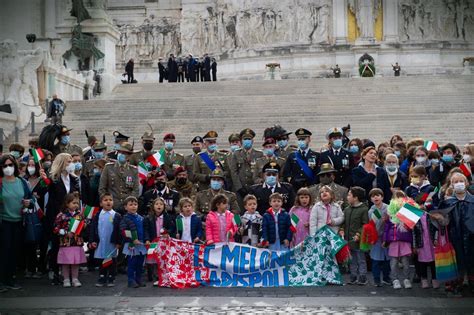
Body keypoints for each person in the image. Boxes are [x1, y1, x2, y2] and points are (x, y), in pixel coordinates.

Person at [430, 173, 474, 296]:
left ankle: (471, 283)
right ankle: (457, 285)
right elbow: (445, 222)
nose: (459, 183)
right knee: (457, 260)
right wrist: (439, 218)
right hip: (455, 237)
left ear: (466, 183)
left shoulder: (473, 200)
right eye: (456, 181)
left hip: (471, 237)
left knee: (472, 260)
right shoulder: (447, 202)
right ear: (451, 185)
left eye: (461, 181)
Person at [45, 153, 80, 285]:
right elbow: (46, 189)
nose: (71, 164)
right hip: (56, 215)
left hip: (70, 216)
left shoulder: (73, 179)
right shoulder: (53, 178)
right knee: (56, 244)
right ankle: (54, 271)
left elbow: (75, 197)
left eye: (71, 161)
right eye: (68, 161)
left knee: (69, 244)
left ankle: (69, 274)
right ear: (61, 163)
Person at [0, 155, 33, 291]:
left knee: (15, 251)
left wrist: (29, 202)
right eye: (5, 166)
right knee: (4, 251)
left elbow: (31, 200)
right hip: (4, 222)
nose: (8, 168)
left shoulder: (22, 182)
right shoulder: (1, 182)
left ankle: (11, 278)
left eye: (10, 165)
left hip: (19, 221)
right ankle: (2, 280)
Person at [53, 192, 86, 287]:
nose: (75, 205)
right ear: (67, 203)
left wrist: (84, 224)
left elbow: (85, 225)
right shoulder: (61, 215)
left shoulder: (80, 215)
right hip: (65, 243)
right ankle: (66, 279)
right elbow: (55, 228)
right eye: (73, 203)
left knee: (76, 262)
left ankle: (75, 279)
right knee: (65, 262)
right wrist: (64, 232)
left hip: (76, 242)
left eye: (77, 203)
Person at [89, 193, 122, 287]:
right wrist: (92, 241)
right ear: (101, 203)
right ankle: (102, 276)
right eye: (105, 200)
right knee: (101, 259)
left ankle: (111, 277)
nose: (108, 202)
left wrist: (119, 242)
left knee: (112, 259)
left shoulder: (116, 215)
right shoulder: (97, 215)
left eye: (110, 200)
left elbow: (120, 230)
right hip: (101, 242)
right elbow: (93, 229)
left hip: (111, 242)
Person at [99, 142, 139, 214]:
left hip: (127, 207)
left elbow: (135, 190)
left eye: (124, 153)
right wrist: (107, 202)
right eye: (120, 152)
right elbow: (102, 188)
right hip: (111, 206)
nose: (121, 154)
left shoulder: (133, 170)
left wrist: (128, 204)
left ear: (129, 156)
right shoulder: (108, 168)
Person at [383, 198, 414, 290]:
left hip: (405, 242)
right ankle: (395, 280)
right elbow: (386, 229)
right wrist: (385, 240)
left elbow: (410, 229)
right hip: (393, 242)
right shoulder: (390, 217)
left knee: (406, 262)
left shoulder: (407, 217)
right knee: (393, 263)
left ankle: (406, 279)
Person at [144, 197, 175, 285]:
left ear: (164, 206)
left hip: (162, 242)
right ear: (153, 206)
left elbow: (172, 228)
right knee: (151, 258)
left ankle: (160, 275)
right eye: (157, 204)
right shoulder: (148, 218)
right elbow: (146, 230)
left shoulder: (167, 217)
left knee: (161, 258)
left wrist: (168, 233)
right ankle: (150, 274)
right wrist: (146, 239)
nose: (159, 206)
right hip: (152, 241)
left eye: (161, 204)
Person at [343, 186, 369, 285]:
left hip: (359, 240)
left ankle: (363, 277)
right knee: (352, 259)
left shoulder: (364, 209)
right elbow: (344, 223)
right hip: (348, 239)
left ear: (356, 197)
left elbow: (365, 224)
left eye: (349, 195)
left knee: (361, 259)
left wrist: (359, 233)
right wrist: (342, 230)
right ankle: (353, 276)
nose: (347, 197)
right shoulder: (347, 209)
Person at [120, 196, 147, 288]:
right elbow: (123, 231)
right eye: (130, 205)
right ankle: (131, 280)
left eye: (135, 204)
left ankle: (138, 279)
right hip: (131, 245)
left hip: (141, 244)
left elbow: (145, 229)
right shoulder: (125, 218)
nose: (133, 206)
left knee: (140, 263)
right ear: (125, 207)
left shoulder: (141, 218)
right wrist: (133, 239)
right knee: (132, 263)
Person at [229, 128, 263, 201]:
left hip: (254, 188)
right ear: (241, 141)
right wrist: (239, 187)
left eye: (249, 139)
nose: (247, 141)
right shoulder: (236, 153)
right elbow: (234, 172)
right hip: (240, 188)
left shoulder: (259, 154)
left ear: (252, 141)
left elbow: (260, 172)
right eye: (245, 139)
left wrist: (256, 186)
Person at [367, 188, 391, 287]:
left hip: (387, 237)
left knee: (387, 259)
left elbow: (393, 222)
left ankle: (386, 278)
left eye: (378, 195)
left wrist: (388, 220)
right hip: (376, 238)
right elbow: (372, 226)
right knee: (376, 260)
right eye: (373, 196)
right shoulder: (371, 211)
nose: (375, 197)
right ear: (371, 199)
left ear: (382, 197)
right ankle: (376, 279)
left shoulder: (388, 208)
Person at [413, 208, 438, 289]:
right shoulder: (415, 216)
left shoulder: (430, 215)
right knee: (422, 262)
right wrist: (414, 246)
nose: (421, 206)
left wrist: (436, 239)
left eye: (423, 203)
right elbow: (413, 233)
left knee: (433, 262)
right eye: (419, 204)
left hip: (431, 243)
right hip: (421, 243)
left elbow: (436, 228)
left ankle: (434, 279)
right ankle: (424, 280)